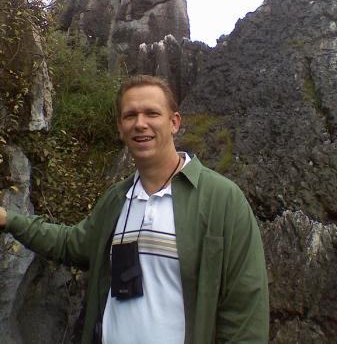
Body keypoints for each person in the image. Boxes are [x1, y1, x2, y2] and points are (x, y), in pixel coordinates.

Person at [0, 75, 269, 344]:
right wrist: (9, 219)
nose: (140, 124)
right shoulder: (117, 199)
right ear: (120, 127)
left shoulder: (222, 199)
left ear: (174, 122)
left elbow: (245, 310)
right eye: (130, 116)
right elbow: (72, 245)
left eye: (152, 113)